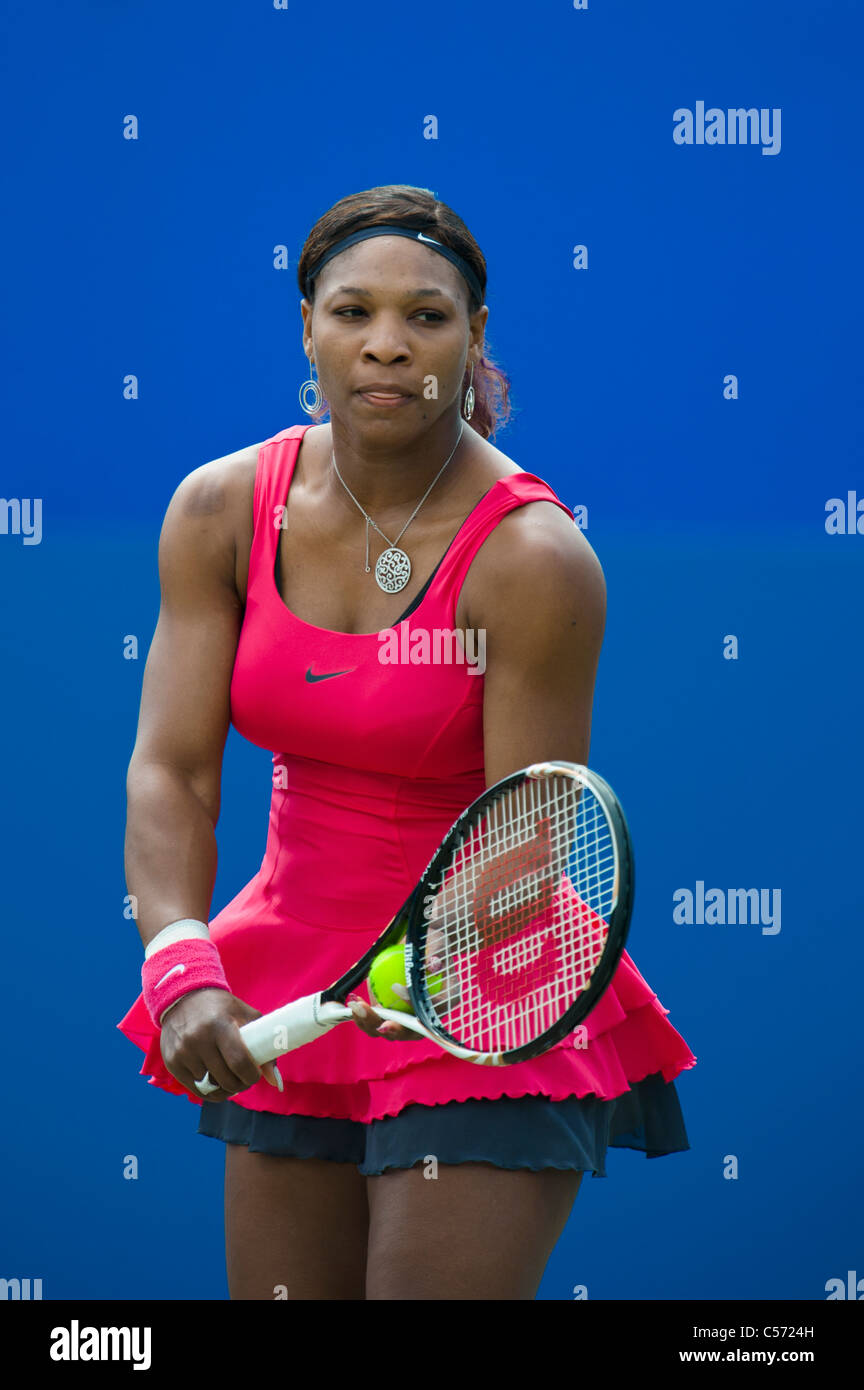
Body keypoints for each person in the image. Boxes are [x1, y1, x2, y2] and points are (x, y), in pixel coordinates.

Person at [118, 183, 696, 1301]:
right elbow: (174, 768)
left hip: (485, 983)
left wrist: (393, 985)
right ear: (307, 329)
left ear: (474, 336)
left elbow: (527, 836)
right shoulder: (220, 509)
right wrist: (182, 960)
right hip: (283, 967)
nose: (387, 345)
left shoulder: (535, 558)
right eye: (352, 312)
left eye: (427, 317)